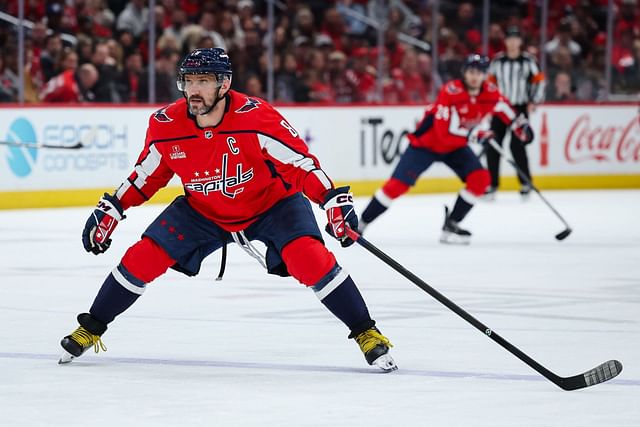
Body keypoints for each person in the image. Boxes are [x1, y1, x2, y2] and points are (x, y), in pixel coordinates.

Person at [58, 48, 397, 372]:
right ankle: (91, 327)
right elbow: (147, 176)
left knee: (309, 258)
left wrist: (331, 200)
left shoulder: (257, 117)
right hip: (203, 210)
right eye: (188, 81)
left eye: (203, 81)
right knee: (143, 256)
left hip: (272, 204)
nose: (193, 89)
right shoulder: (166, 124)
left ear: (224, 84)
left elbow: (300, 165)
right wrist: (113, 208)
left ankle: (366, 332)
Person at [359, 54, 533, 244]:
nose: (475, 76)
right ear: (464, 73)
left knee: (480, 179)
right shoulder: (450, 91)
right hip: (426, 145)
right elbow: (444, 132)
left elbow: (505, 109)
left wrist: (520, 126)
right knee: (396, 186)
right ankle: (361, 223)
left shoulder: (490, 93)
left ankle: (452, 225)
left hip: (456, 147)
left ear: (485, 75)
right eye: (471, 72)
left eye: (479, 72)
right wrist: (476, 135)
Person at [486, 26, 545, 199]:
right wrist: (489, 105)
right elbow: (489, 85)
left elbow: (539, 81)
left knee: (517, 145)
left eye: (515, 38)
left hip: (519, 108)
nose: (512, 42)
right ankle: (492, 184)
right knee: (494, 145)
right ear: (505, 41)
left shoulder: (528, 61)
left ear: (520, 41)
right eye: (509, 39)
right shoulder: (497, 61)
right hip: (500, 108)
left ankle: (525, 182)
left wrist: (534, 100)